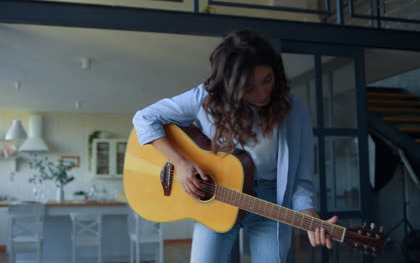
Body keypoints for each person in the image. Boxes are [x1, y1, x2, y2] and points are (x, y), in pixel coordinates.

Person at [132, 29, 338, 263]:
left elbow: (301, 176)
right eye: (249, 88)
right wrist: (180, 163)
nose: (262, 94)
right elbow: (145, 118)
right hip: (216, 195)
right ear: (229, 86)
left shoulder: (294, 108)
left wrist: (307, 213)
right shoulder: (205, 98)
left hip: (270, 202)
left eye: (267, 80)